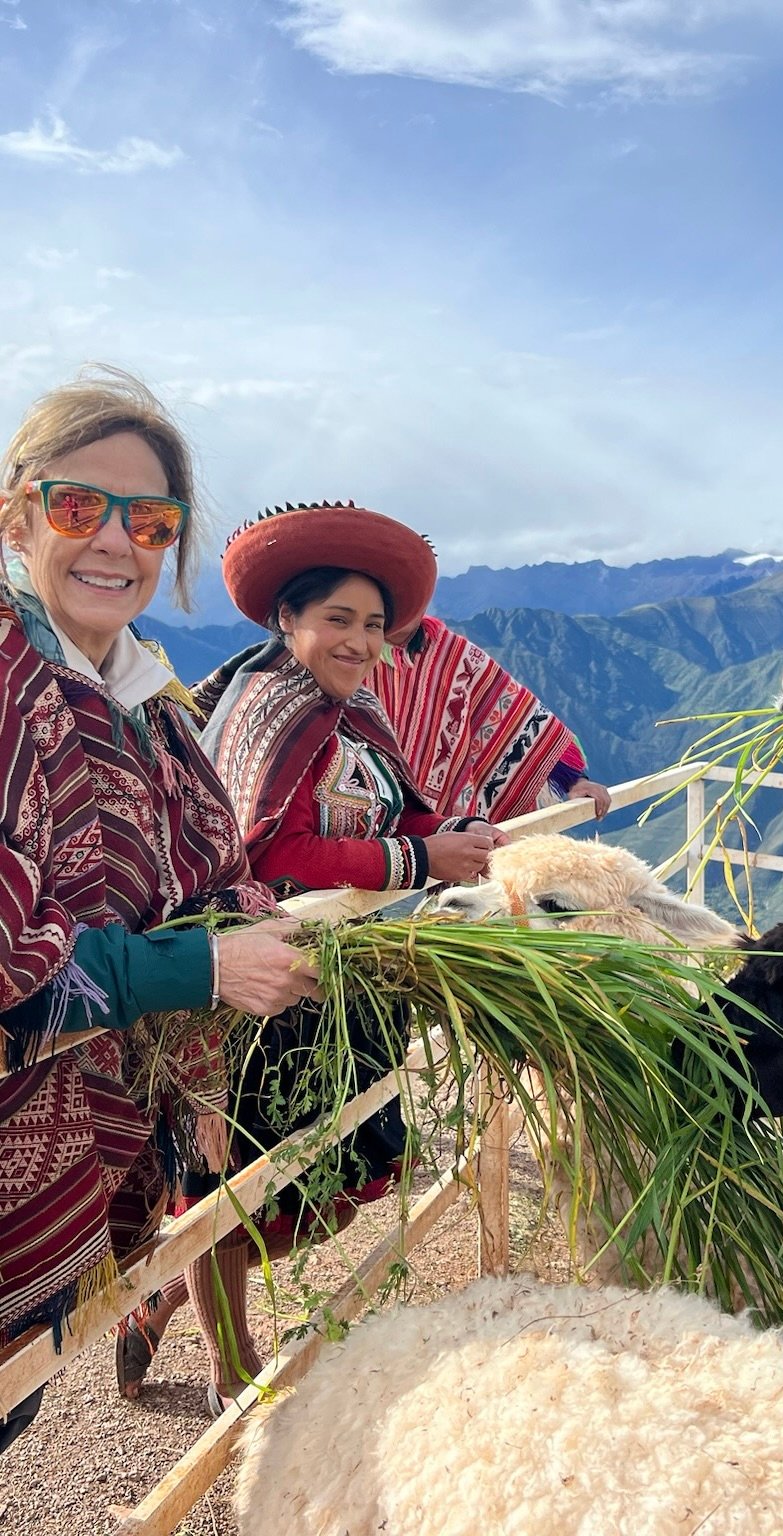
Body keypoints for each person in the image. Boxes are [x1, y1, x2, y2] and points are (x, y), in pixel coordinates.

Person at [122, 500, 507, 1413]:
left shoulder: (357, 711)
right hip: (249, 986)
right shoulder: (267, 711)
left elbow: (398, 808)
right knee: (232, 1188)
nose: (360, 642)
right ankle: (230, 1366)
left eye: (373, 624)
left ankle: (164, 1298)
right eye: (338, 618)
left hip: (334, 979)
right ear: (287, 618)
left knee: (332, 1170)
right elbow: (267, 854)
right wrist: (418, 860)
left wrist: (449, 831)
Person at [0, 368, 317, 1453]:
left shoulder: (151, 707)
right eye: (77, 506)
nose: (113, 541)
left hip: (80, 1152)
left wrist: (267, 929)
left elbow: (210, 874)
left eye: (149, 520)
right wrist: (207, 971)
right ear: (17, 515)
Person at [372, 614, 612, 823]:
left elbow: (517, 717)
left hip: (444, 831)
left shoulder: (452, 655)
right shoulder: (358, 655)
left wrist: (573, 780)